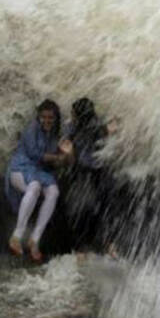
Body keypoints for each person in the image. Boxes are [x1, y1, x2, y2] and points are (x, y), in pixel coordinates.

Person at [5, 99, 68, 263]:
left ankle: (35, 240)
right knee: (34, 187)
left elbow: (64, 158)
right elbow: (35, 155)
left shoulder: (57, 134)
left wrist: (66, 156)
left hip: (40, 171)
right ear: (38, 117)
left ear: (56, 118)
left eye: (51, 118)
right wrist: (58, 157)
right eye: (44, 117)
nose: (47, 121)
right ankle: (16, 236)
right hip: (21, 168)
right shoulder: (31, 130)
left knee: (54, 192)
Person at [59, 98, 119, 256]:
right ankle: (80, 248)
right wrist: (69, 151)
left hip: (100, 170)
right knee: (83, 207)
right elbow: (67, 153)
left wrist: (111, 128)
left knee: (107, 204)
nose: (71, 116)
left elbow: (107, 132)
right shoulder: (71, 127)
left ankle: (109, 243)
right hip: (81, 171)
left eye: (74, 114)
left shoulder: (96, 124)